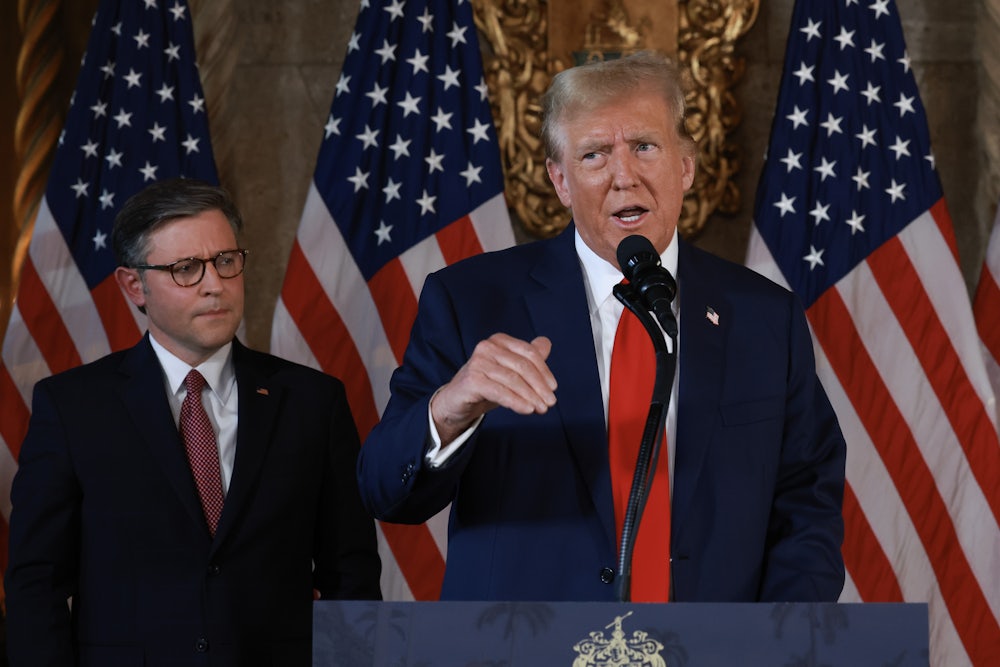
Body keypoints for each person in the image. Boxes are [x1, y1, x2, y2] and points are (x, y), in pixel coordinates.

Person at [357, 51, 846, 602]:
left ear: (685, 165)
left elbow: (807, 503)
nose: (623, 176)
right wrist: (451, 407)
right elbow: (383, 492)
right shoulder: (471, 301)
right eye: (594, 155)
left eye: (644, 147)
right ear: (561, 181)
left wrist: (774, 644)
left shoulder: (765, 316)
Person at [5, 178, 382, 666]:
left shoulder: (313, 401)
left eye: (226, 261)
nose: (214, 285)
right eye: (186, 269)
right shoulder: (73, 407)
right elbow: (37, 585)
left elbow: (349, 574)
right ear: (133, 285)